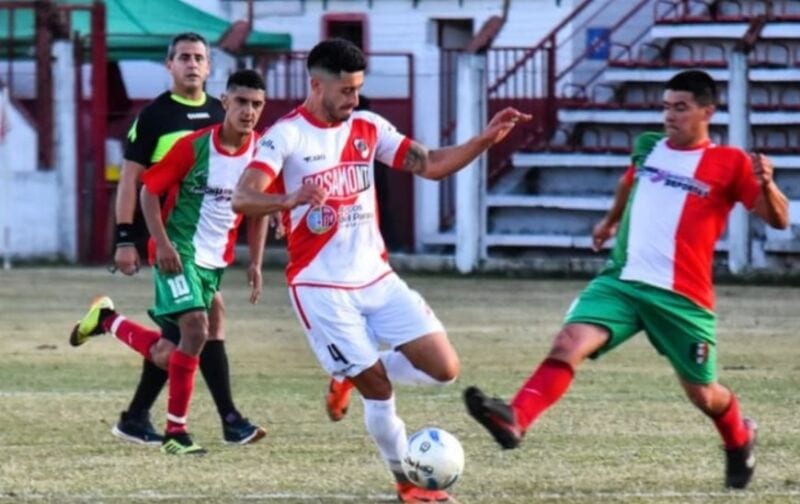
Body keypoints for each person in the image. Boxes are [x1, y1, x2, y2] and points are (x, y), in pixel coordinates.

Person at [231, 38, 530, 502]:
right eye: (346, 91)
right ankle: (407, 482)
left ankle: (345, 373)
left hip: (376, 277)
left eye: (358, 90)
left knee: (443, 370)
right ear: (316, 85)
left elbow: (428, 164)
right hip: (320, 286)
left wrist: (483, 140)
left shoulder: (368, 126)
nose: (354, 100)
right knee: (378, 386)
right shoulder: (286, 136)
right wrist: (286, 199)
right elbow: (243, 197)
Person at [463, 69, 789, 490]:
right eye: (666, 106)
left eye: (681, 107)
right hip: (622, 280)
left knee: (704, 395)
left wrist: (770, 185)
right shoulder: (648, 147)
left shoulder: (731, 164)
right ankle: (516, 419)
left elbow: (777, 220)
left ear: (708, 111)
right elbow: (629, 183)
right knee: (568, 343)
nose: (670, 115)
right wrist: (610, 221)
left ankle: (739, 438)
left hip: (681, 298)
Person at [71, 69, 269, 455]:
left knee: (171, 351)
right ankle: (178, 433)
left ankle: (108, 321)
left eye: (256, 104)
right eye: (241, 101)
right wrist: (160, 244)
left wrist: (256, 263)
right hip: (180, 251)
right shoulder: (194, 146)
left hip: (214, 261)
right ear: (224, 102)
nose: (248, 111)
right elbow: (147, 190)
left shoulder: (262, 153)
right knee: (196, 329)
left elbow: (259, 209)